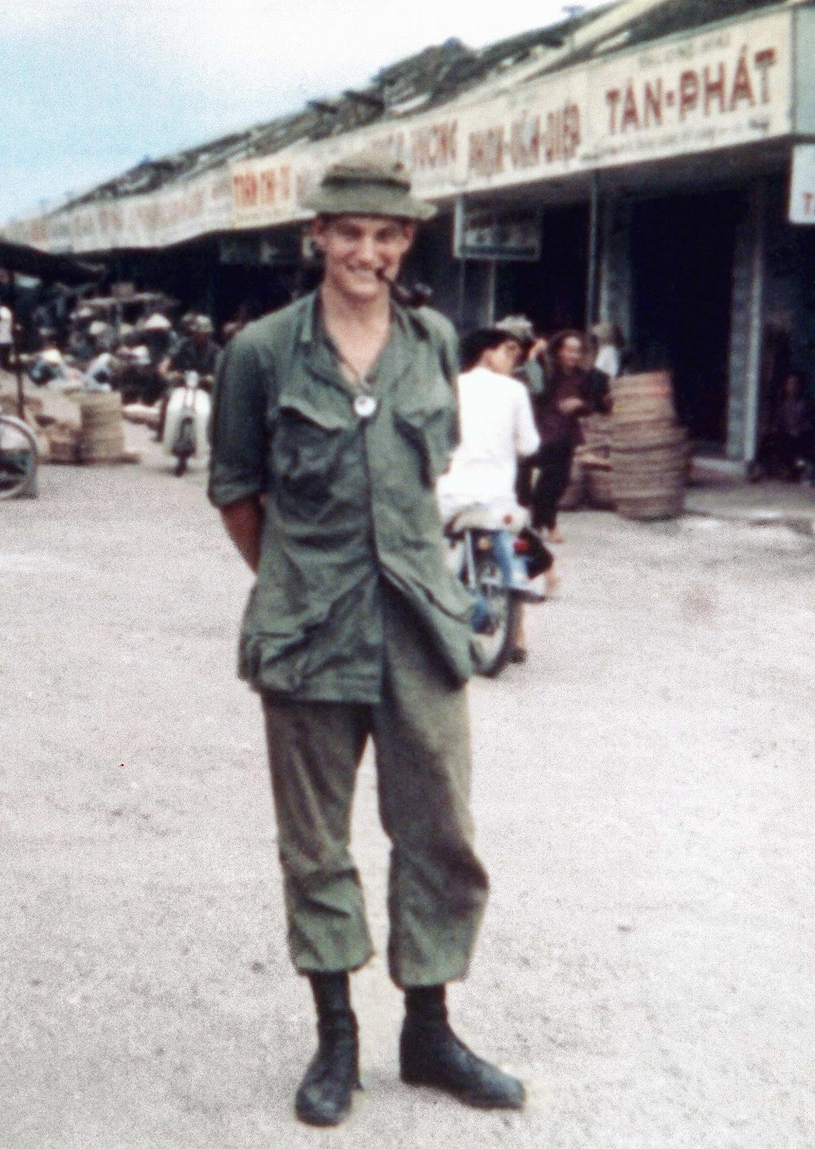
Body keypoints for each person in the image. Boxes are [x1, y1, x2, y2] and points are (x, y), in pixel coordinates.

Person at [208, 153, 525, 1127]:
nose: (367, 251)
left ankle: (427, 1030)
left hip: (420, 628)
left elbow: (425, 474)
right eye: (349, 232)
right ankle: (335, 1035)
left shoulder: (431, 339)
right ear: (318, 238)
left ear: (403, 245)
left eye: (385, 236)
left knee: (438, 829)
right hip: (308, 632)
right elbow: (236, 491)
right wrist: (301, 583)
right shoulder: (262, 351)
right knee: (316, 843)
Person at [437, 326, 552, 656]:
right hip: (498, 496)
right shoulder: (515, 390)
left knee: (422, 548)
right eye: (508, 351)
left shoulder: (452, 386)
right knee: (523, 546)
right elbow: (529, 444)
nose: (514, 359)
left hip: (454, 493)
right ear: (486, 353)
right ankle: (517, 638)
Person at [529, 329, 607, 543]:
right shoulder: (548, 370)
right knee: (548, 479)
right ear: (559, 351)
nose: (573, 355)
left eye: (577, 351)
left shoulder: (583, 377)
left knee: (561, 480)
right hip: (545, 431)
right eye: (569, 350)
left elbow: (597, 405)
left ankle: (540, 523)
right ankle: (544, 525)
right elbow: (536, 395)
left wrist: (580, 403)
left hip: (566, 433)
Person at [748, 370, 814, 482]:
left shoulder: (806, 404)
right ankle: (758, 469)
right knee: (768, 439)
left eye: (795, 384)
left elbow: (810, 423)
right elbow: (778, 422)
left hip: (802, 436)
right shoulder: (783, 404)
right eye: (789, 384)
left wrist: (800, 429)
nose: (792, 387)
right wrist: (770, 429)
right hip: (787, 435)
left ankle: (800, 470)